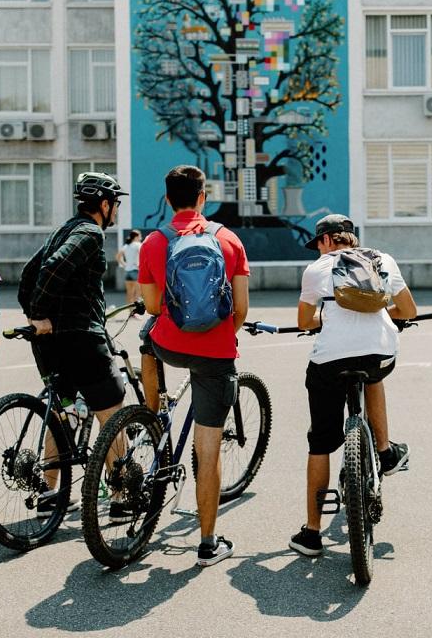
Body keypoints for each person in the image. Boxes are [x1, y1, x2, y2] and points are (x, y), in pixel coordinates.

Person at [138, 165, 250, 567]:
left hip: (170, 346)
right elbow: (240, 309)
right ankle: (207, 542)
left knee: (145, 341)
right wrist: (222, 335)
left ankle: (151, 416)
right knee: (208, 448)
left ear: (168, 199)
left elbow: (152, 306)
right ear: (204, 197)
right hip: (216, 354)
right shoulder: (228, 240)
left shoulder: (154, 241)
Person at [288, 214, 416, 556]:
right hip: (380, 354)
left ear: (327, 240)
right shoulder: (382, 260)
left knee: (320, 443)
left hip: (330, 361)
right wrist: (385, 315)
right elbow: (408, 309)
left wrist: (325, 319)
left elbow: (303, 320)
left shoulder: (316, 270)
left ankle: (312, 534)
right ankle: (385, 451)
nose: (317, 249)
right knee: (374, 373)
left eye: (317, 243)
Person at [20, 172, 130, 517]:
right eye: (116, 205)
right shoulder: (89, 232)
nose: (116, 211)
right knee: (111, 410)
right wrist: (41, 313)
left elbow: (28, 275)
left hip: (51, 344)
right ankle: (122, 496)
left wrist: (39, 321)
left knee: (62, 410)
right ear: (104, 204)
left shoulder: (62, 230)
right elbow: (55, 267)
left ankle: (52, 493)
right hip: (82, 339)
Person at [117, 229, 144, 305]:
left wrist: (125, 264)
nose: (141, 238)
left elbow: (118, 256)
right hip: (136, 271)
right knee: (138, 294)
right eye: (140, 236)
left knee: (129, 294)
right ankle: (136, 312)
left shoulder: (126, 246)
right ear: (136, 237)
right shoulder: (138, 245)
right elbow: (142, 255)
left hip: (128, 272)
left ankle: (130, 312)